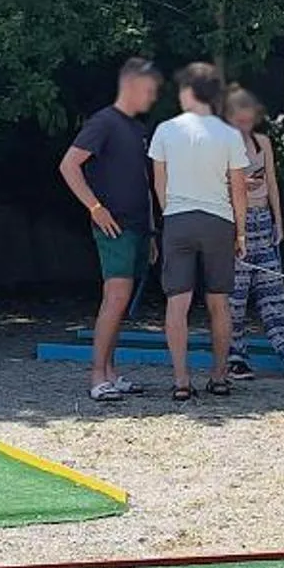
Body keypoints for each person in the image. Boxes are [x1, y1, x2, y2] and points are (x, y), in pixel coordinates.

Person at [58, 57, 164, 402]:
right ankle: (96, 377)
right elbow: (69, 165)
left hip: (137, 226)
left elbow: (145, 182)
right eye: (148, 90)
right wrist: (95, 207)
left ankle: (112, 372)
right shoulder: (103, 122)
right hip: (113, 225)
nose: (151, 97)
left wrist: (151, 232)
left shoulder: (138, 129)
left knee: (123, 302)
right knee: (115, 297)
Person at [147, 61, 252, 402]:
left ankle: (181, 380)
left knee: (177, 303)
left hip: (178, 219)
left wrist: (169, 215)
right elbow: (239, 188)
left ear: (189, 91)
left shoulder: (165, 130)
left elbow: (158, 182)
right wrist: (241, 233)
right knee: (219, 302)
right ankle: (220, 376)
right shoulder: (229, 134)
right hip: (219, 220)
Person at [220, 88, 284, 382]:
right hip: (234, 222)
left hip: (262, 220)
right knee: (235, 295)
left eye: (248, 112)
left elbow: (273, 184)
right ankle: (235, 355)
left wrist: (279, 221)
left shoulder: (262, 142)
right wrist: (239, 190)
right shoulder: (221, 145)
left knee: (273, 292)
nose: (244, 118)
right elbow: (218, 185)